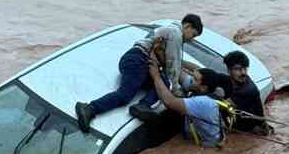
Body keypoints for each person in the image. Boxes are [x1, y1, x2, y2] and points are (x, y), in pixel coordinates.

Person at [75, 14, 203, 133]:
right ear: (187, 26)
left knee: (162, 82)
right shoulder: (176, 33)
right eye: (193, 34)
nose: (192, 39)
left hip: (139, 60)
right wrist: (175, 89)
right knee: (125, 94)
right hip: (138, 60)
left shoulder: (168, 29)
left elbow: (171, 61)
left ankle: (142, 106)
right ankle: (90, 108)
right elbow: (172, 63)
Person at [135, 53, 227, 148]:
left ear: (203, 87)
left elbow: (169, 101)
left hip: (207, 147)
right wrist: (164, 60)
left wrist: (156, 76)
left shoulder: (203, 102)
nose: (191, 79)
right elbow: (179, 74)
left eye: (195, 79)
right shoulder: (201, 89)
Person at [222, 51, 273, 135]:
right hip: (242, 126)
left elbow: (221, 106)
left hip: (253, 132)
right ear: (229, 70)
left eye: (245, 68)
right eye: (238, 69)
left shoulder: (248, 90)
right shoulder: (236, 81)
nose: (243, 73)